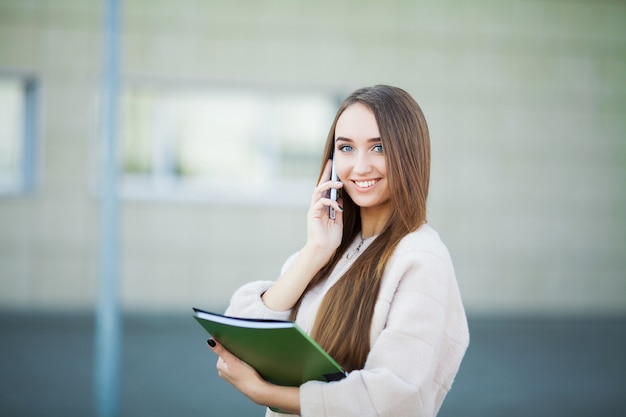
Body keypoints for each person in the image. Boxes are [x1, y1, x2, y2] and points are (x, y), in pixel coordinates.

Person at [206, 85, 469, 416]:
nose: (360, 167)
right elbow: (241, 331)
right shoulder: (328, 249)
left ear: (409, 154)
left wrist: (267, 393)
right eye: (346, 148)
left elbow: (395, 396)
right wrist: (315, 250)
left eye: (378, 147)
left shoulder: (421, 258)